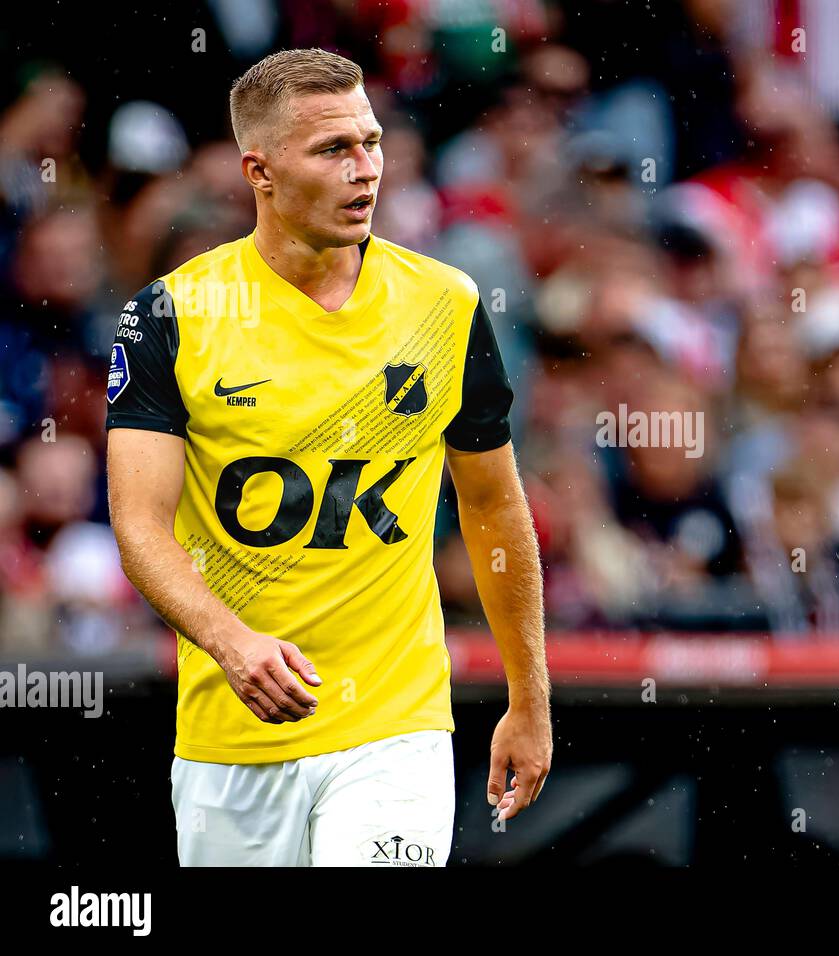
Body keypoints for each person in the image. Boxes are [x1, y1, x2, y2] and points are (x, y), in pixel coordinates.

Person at [103, 48, 551, 867]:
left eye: (372, 142)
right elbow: (140, 527)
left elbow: (492, 505)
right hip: (232, 739)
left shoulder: (444, 304)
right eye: (333, 150)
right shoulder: (171, 315)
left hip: (394, 727)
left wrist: (530, 698)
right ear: (260, 171)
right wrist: (231, 642)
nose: (366, 170)